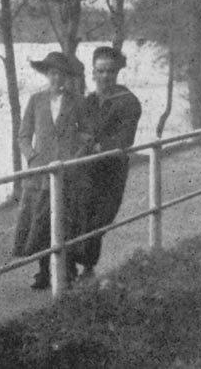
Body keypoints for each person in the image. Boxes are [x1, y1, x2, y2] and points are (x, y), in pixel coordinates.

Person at [13, 51, 88, 290]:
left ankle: (67, 270)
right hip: (40, 172)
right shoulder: (36, 100)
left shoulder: (76, 100)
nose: (57, 79)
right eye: (53, 73)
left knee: (66, 219)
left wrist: (75, 156)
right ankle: (44, 271)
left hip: (67, 170)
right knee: (40, 221)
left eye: (62, 74)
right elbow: (23, 136)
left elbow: (86, 134)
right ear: (47, 74)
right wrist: (32, 156)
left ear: (67, 77)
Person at [72, 46, 142, 280]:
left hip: (111, 171)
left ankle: (88, 265)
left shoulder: (128, 101)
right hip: (84, 170)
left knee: (100, 219)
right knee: (78, 214)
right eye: (100, 71)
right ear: (93, 72)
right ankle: (74, 266)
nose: (105, 77)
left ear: (116, 73)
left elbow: (125, 138)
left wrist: (99, 146)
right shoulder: (86, 102)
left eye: (110, 71)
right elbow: (75, 132)